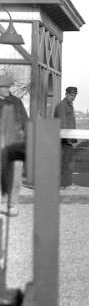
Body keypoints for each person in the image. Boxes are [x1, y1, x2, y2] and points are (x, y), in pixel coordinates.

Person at [0, 74, 28, 216]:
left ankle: (12, 205)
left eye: (8, 87)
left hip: (16, 142)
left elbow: (25, 121)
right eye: (4, 87)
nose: (7, 90)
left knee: (16, 174)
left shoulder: (17, 102)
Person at [54, 86, 78, 187]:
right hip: (62, 139)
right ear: (66, 94)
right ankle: (62, 184)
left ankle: (65, 184)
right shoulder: (62, 106)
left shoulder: (68, 105)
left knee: (67, 161)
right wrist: (68, 139)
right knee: (64, 162)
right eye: (71, 95)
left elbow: (71, 123)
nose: (73, 97)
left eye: (74, 95)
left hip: (67, 138)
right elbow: (63, 124)